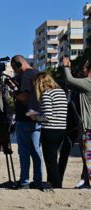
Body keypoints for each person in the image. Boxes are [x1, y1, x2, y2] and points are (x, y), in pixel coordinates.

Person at [27, 72, 67, 188]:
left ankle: (55, 185)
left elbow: (47, 116)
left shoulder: (47, 94)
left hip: (50, 130)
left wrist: (35, 116)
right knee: (54, 160)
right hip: (61, 129)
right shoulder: (61, 92)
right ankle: (54, 183)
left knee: (50, 161)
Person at [8, 55, 43, 189]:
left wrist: (13, 94)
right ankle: (38, 180)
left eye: (14, 68)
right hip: (36, 116)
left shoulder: (26, 75)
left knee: (24, 152)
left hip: (24, 118)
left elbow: (24, 95)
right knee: (36, 151)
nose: (16, 72)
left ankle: (24, 181)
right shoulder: (37, 73)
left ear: (18, 64)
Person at [62, 56, 91, 188]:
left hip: (88, 126)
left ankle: (86, 182)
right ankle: (84, 180)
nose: (83, 69)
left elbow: (70, 79)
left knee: (88, 156)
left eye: (85, 67)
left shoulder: (88, 82)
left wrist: (66, 66)